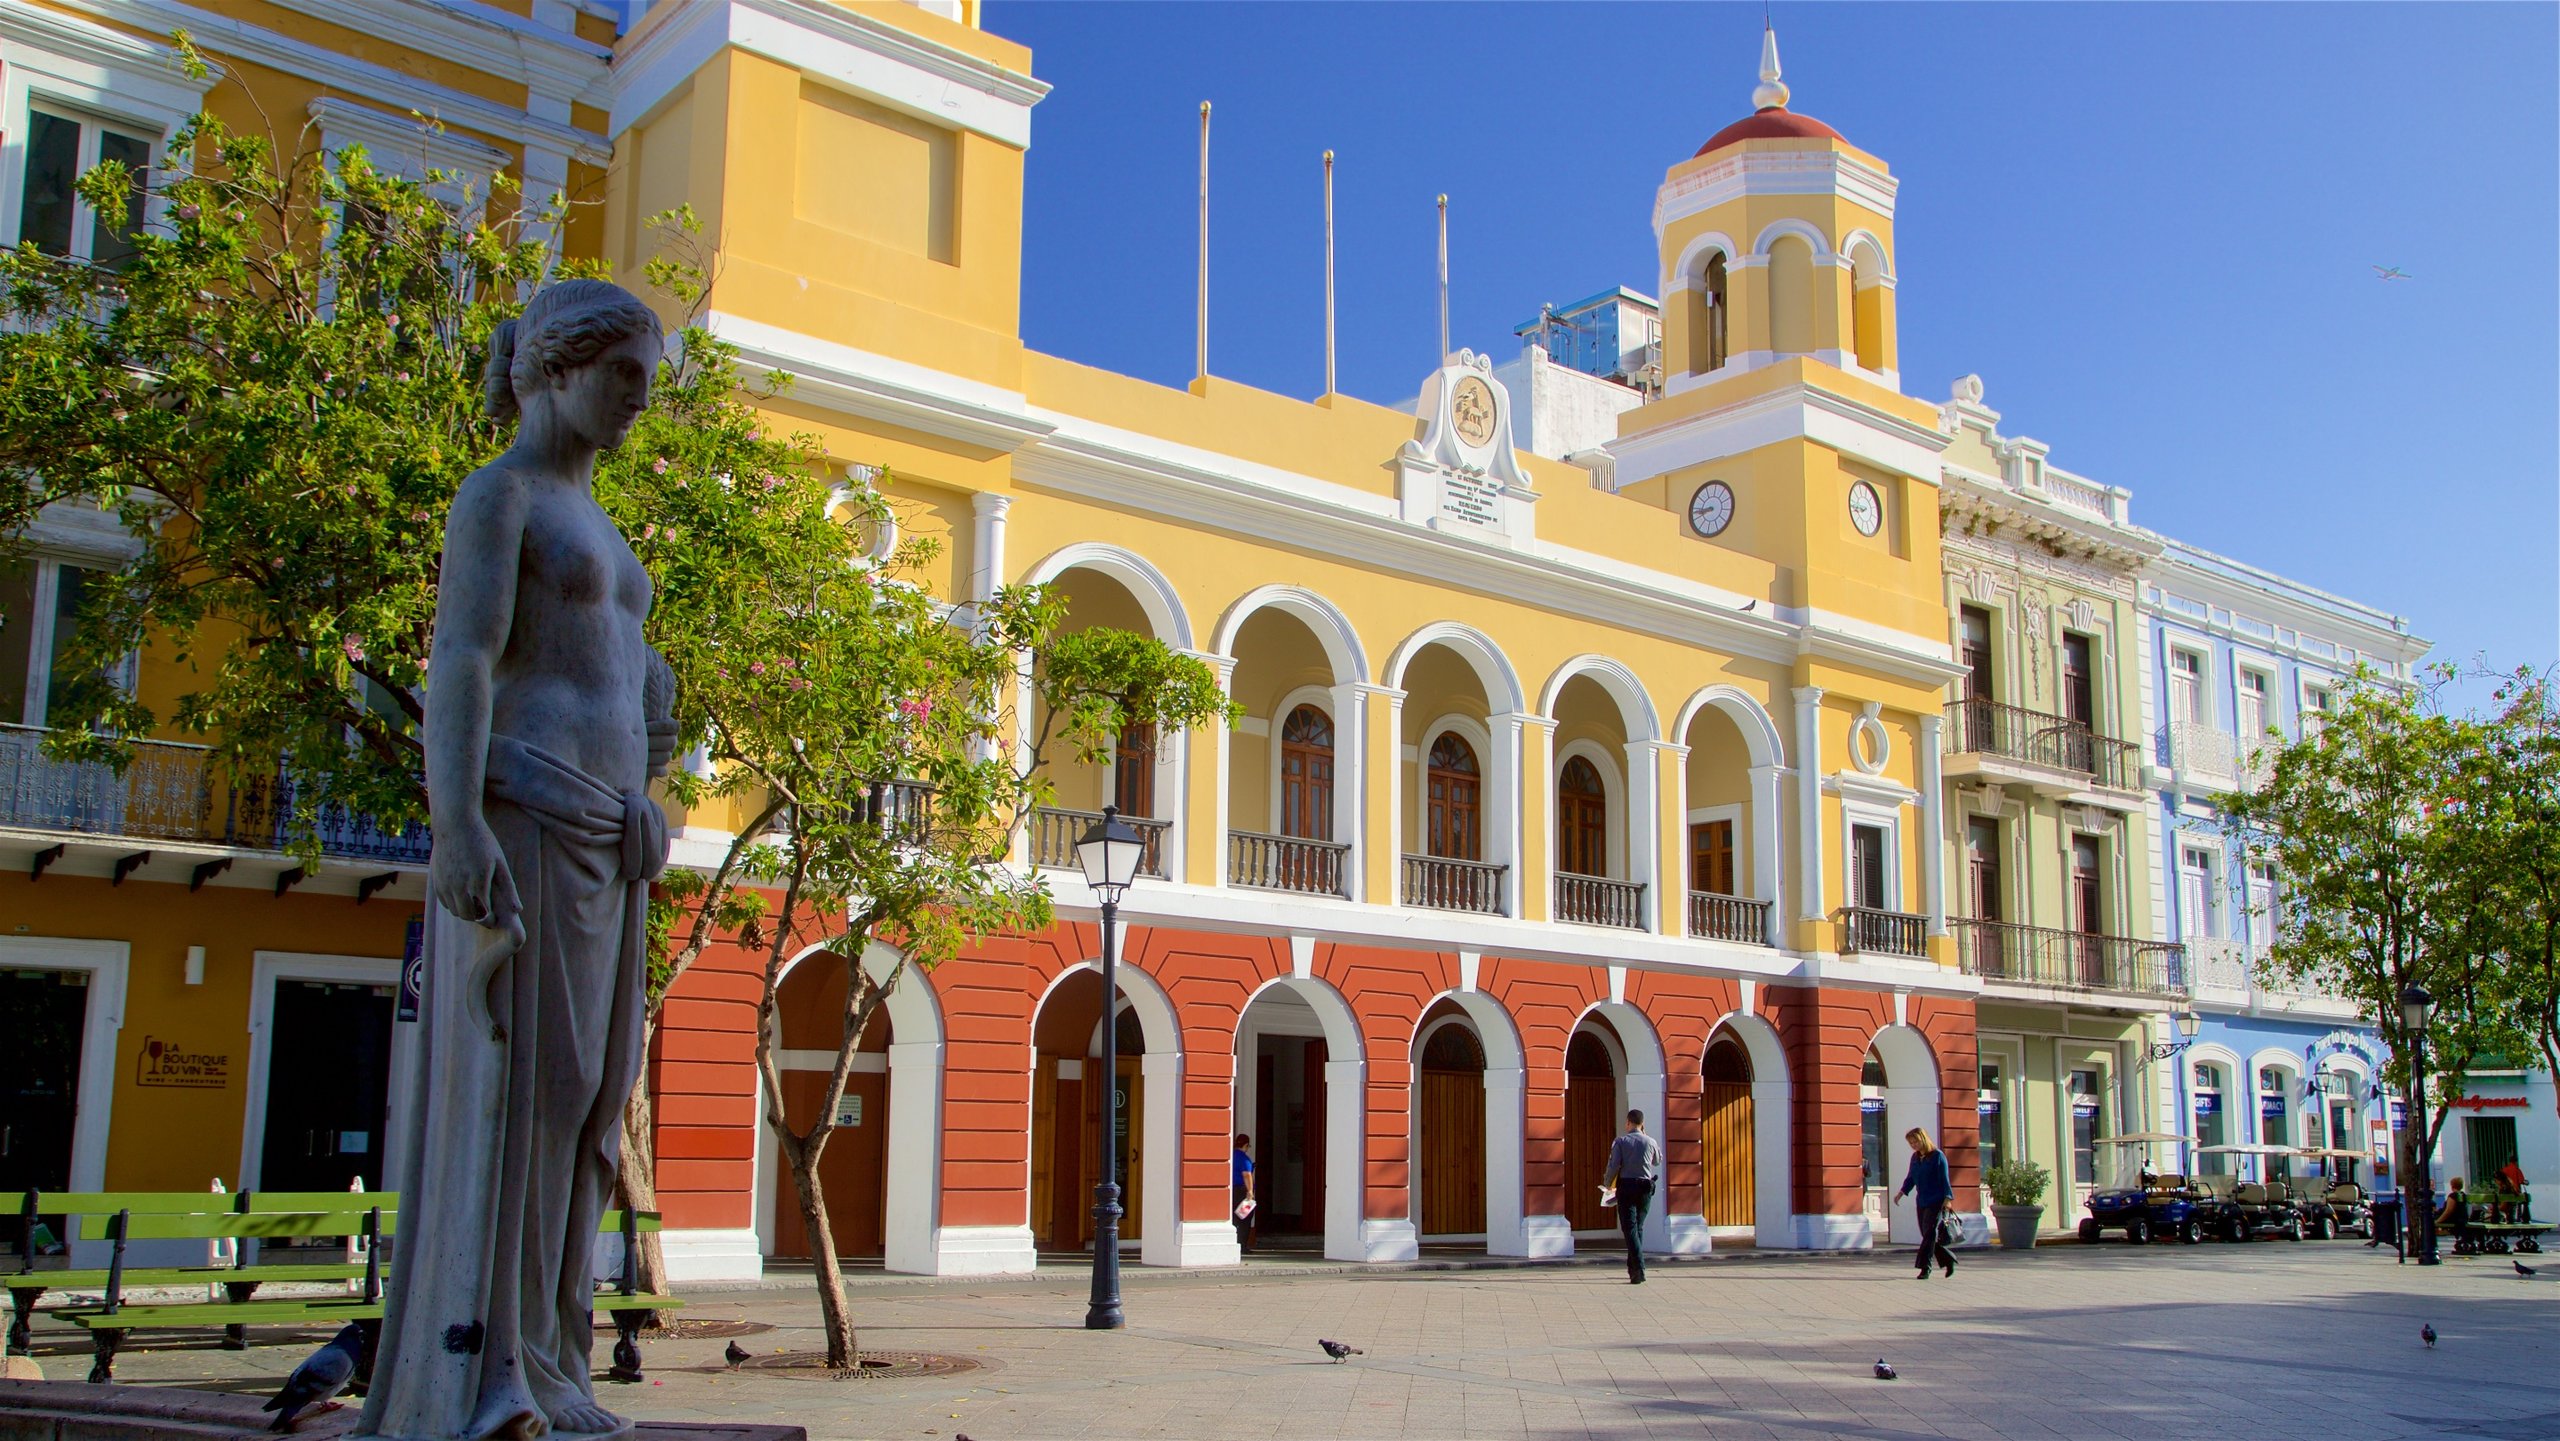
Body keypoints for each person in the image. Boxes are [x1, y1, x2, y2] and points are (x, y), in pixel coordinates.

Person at [361, 280, 677, 1441]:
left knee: (589, 1101)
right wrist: (457, 821)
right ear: (555, 366)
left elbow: (628, 687)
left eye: (648, 380)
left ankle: (553, 1354)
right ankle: (492, 1364)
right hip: (530, 808)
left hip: (608, 832)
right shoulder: (500, 497)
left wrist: (652, 796)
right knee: (526, 1094)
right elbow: (462, 656)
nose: (639, 402)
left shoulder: (607, 528)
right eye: (623, 377)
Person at [1602, 1109, 1662, 1284]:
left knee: (1629, 1228)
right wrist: (1647, 1137)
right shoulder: (1650, 1141)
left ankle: (1640, 1268)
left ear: (1628, 1122)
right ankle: (1633, 1270)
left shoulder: (1621, 1141)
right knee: (1638, 1228)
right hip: (1645, 1187)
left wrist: (1607, 1183)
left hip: (1627, 1186)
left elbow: (1614, 1165)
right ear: (1642, 1124)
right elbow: (1657, 1161)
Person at [1897, 1127, 1956, 1280]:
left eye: (1915, 1141)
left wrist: (1948, 1199)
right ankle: (1948, 1259)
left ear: (1923, 1139)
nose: (1914, 1145)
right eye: (1911, 1143)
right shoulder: (1915, 1158)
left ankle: (1925, 1267)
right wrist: (1902, 1192)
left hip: (1936, 1201)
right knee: (1926, 1235)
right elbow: (1911, 1178)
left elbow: (1945, 1179)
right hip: (1922, 1200)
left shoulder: (1937, 1156)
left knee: (1929, 1233)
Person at [1231, 1133, 1257, 1254]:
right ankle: (1242, 1245)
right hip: (1243, 1192)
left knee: (1234, 1218)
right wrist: (1250, 1192)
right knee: (1245, 1218)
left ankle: (1233, 1243)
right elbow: (1247, 1175)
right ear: (1246, 1145)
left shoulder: (1231, 1155)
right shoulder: (1244, 1159)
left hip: (1232, 1191)